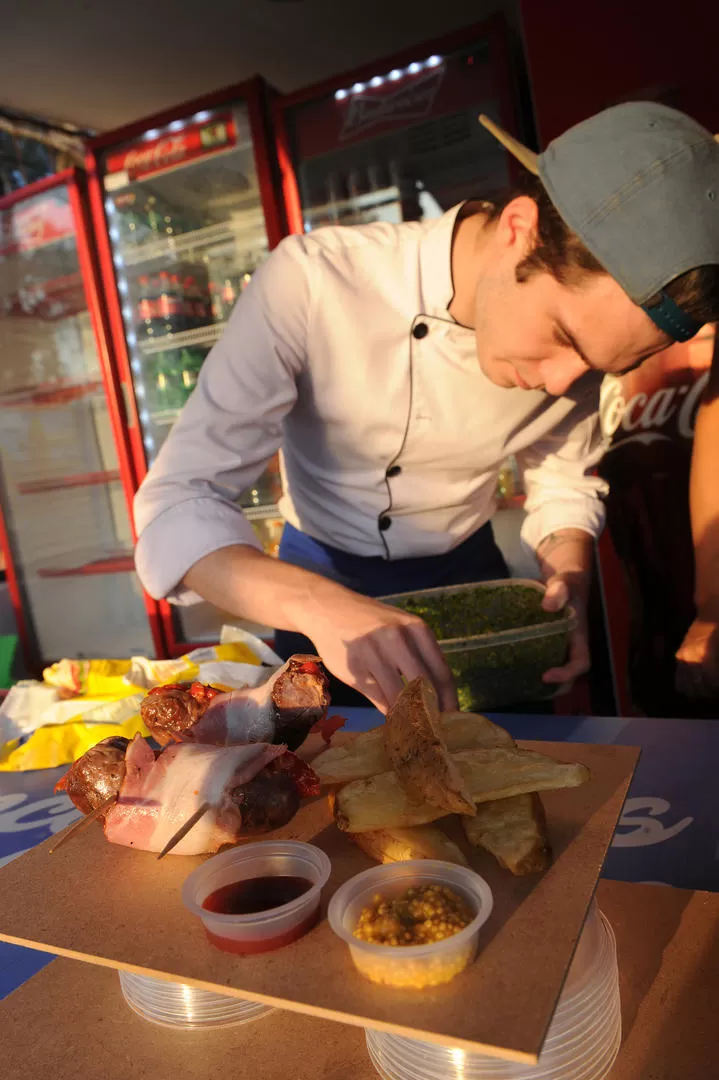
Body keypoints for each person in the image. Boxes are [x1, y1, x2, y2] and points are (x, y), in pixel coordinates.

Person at [134, 102, 719, 714]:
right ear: (520, 228)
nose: (560, 385)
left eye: (601, 368)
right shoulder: (312, 283)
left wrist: (568, 573)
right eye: (565, 338)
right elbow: (177, 504)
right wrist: (318, 605)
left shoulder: (572, 365)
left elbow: (563, 479)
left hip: (474, 582)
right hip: (312, 583)